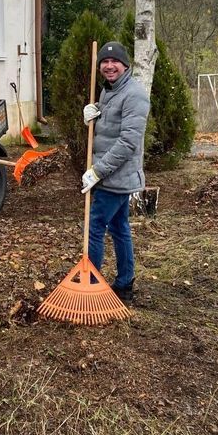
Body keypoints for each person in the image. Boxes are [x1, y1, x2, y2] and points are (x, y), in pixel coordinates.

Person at [81, 41, 150, 305]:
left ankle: (92, 285)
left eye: (115, 62)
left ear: (126, 65)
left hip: (116, 176)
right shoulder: (108, 91)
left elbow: (128, 142)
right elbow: (108, 128)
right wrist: (93, 115)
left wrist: (97, 171)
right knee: (120, 227)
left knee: (94, 227)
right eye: (104, 63)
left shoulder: (135, 95)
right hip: (110, 173)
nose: (109, 66)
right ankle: (124, 285)